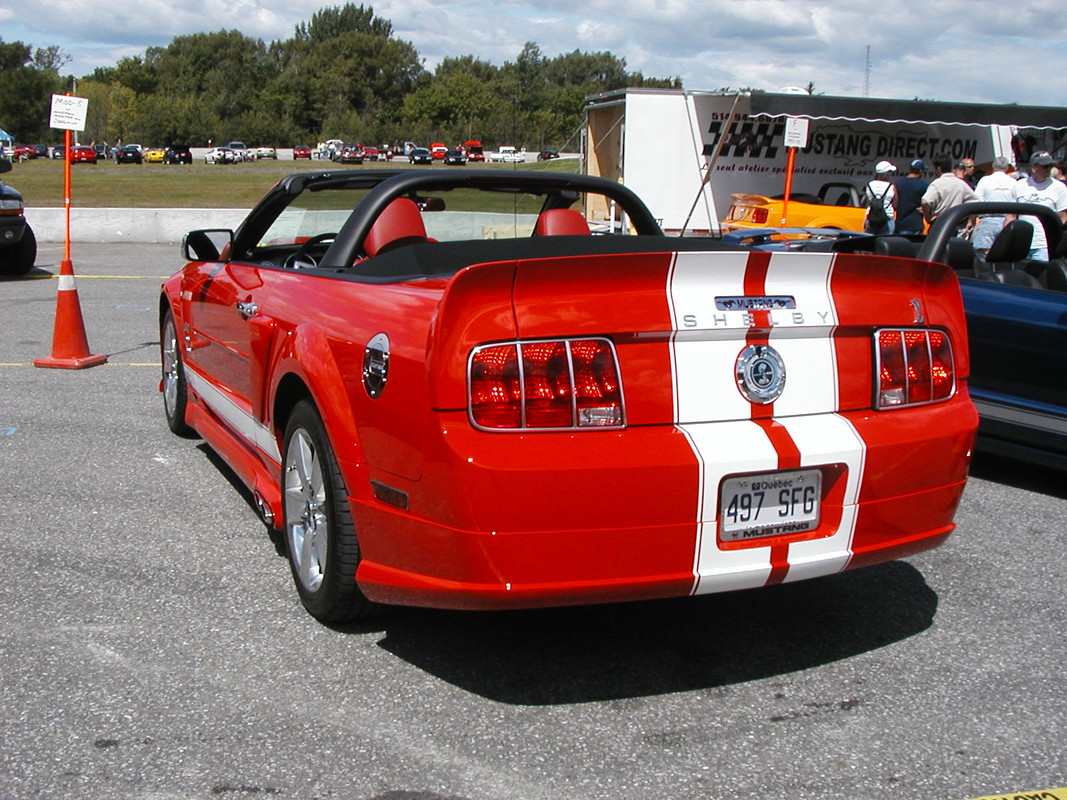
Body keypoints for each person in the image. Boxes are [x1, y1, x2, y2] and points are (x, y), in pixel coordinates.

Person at [1004, 151, 1067, 261]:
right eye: (1045, 166)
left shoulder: (1059, 188)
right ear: (1034, 168)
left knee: (1041, 275)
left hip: (1044, 244)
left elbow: (1062, 217)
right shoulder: (1020, 185)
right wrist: (1006, 239)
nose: (1049, 170)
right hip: (1021, 243)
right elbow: (1011, 215)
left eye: (1050, 166)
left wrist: (1056, 241)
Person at [971, 156, 1017, 252]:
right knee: (1004, 253)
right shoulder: (1013, 182)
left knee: (984, 253)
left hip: (988, 221)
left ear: (993, 166)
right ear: (1007, 168)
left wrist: (972, 220)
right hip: (1008, 222)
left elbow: (976, 200)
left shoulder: (985, 180)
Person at [921, 153, 978, 227]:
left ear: (938, 168)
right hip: (955, 223)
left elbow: (925, 201)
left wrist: (928, 217)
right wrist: (970, 220)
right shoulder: (961, 184)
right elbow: (975, 201)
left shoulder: (936, 184)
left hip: (939, 224)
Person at [894, 159, 928, 234]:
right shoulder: (924, 186)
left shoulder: (898, 184)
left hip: (900, 225)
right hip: (915, 225)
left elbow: (894, 203)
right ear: (921, 171)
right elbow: (927, 203)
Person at [863, 160, 897, 234]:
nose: (891, 174)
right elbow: (895, 204)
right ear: (886, 173)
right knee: (886, 241)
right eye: (890, 171)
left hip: (871, 217)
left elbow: (868, 202)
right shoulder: (891, 187)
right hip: (887, 216)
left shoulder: (869, 185)